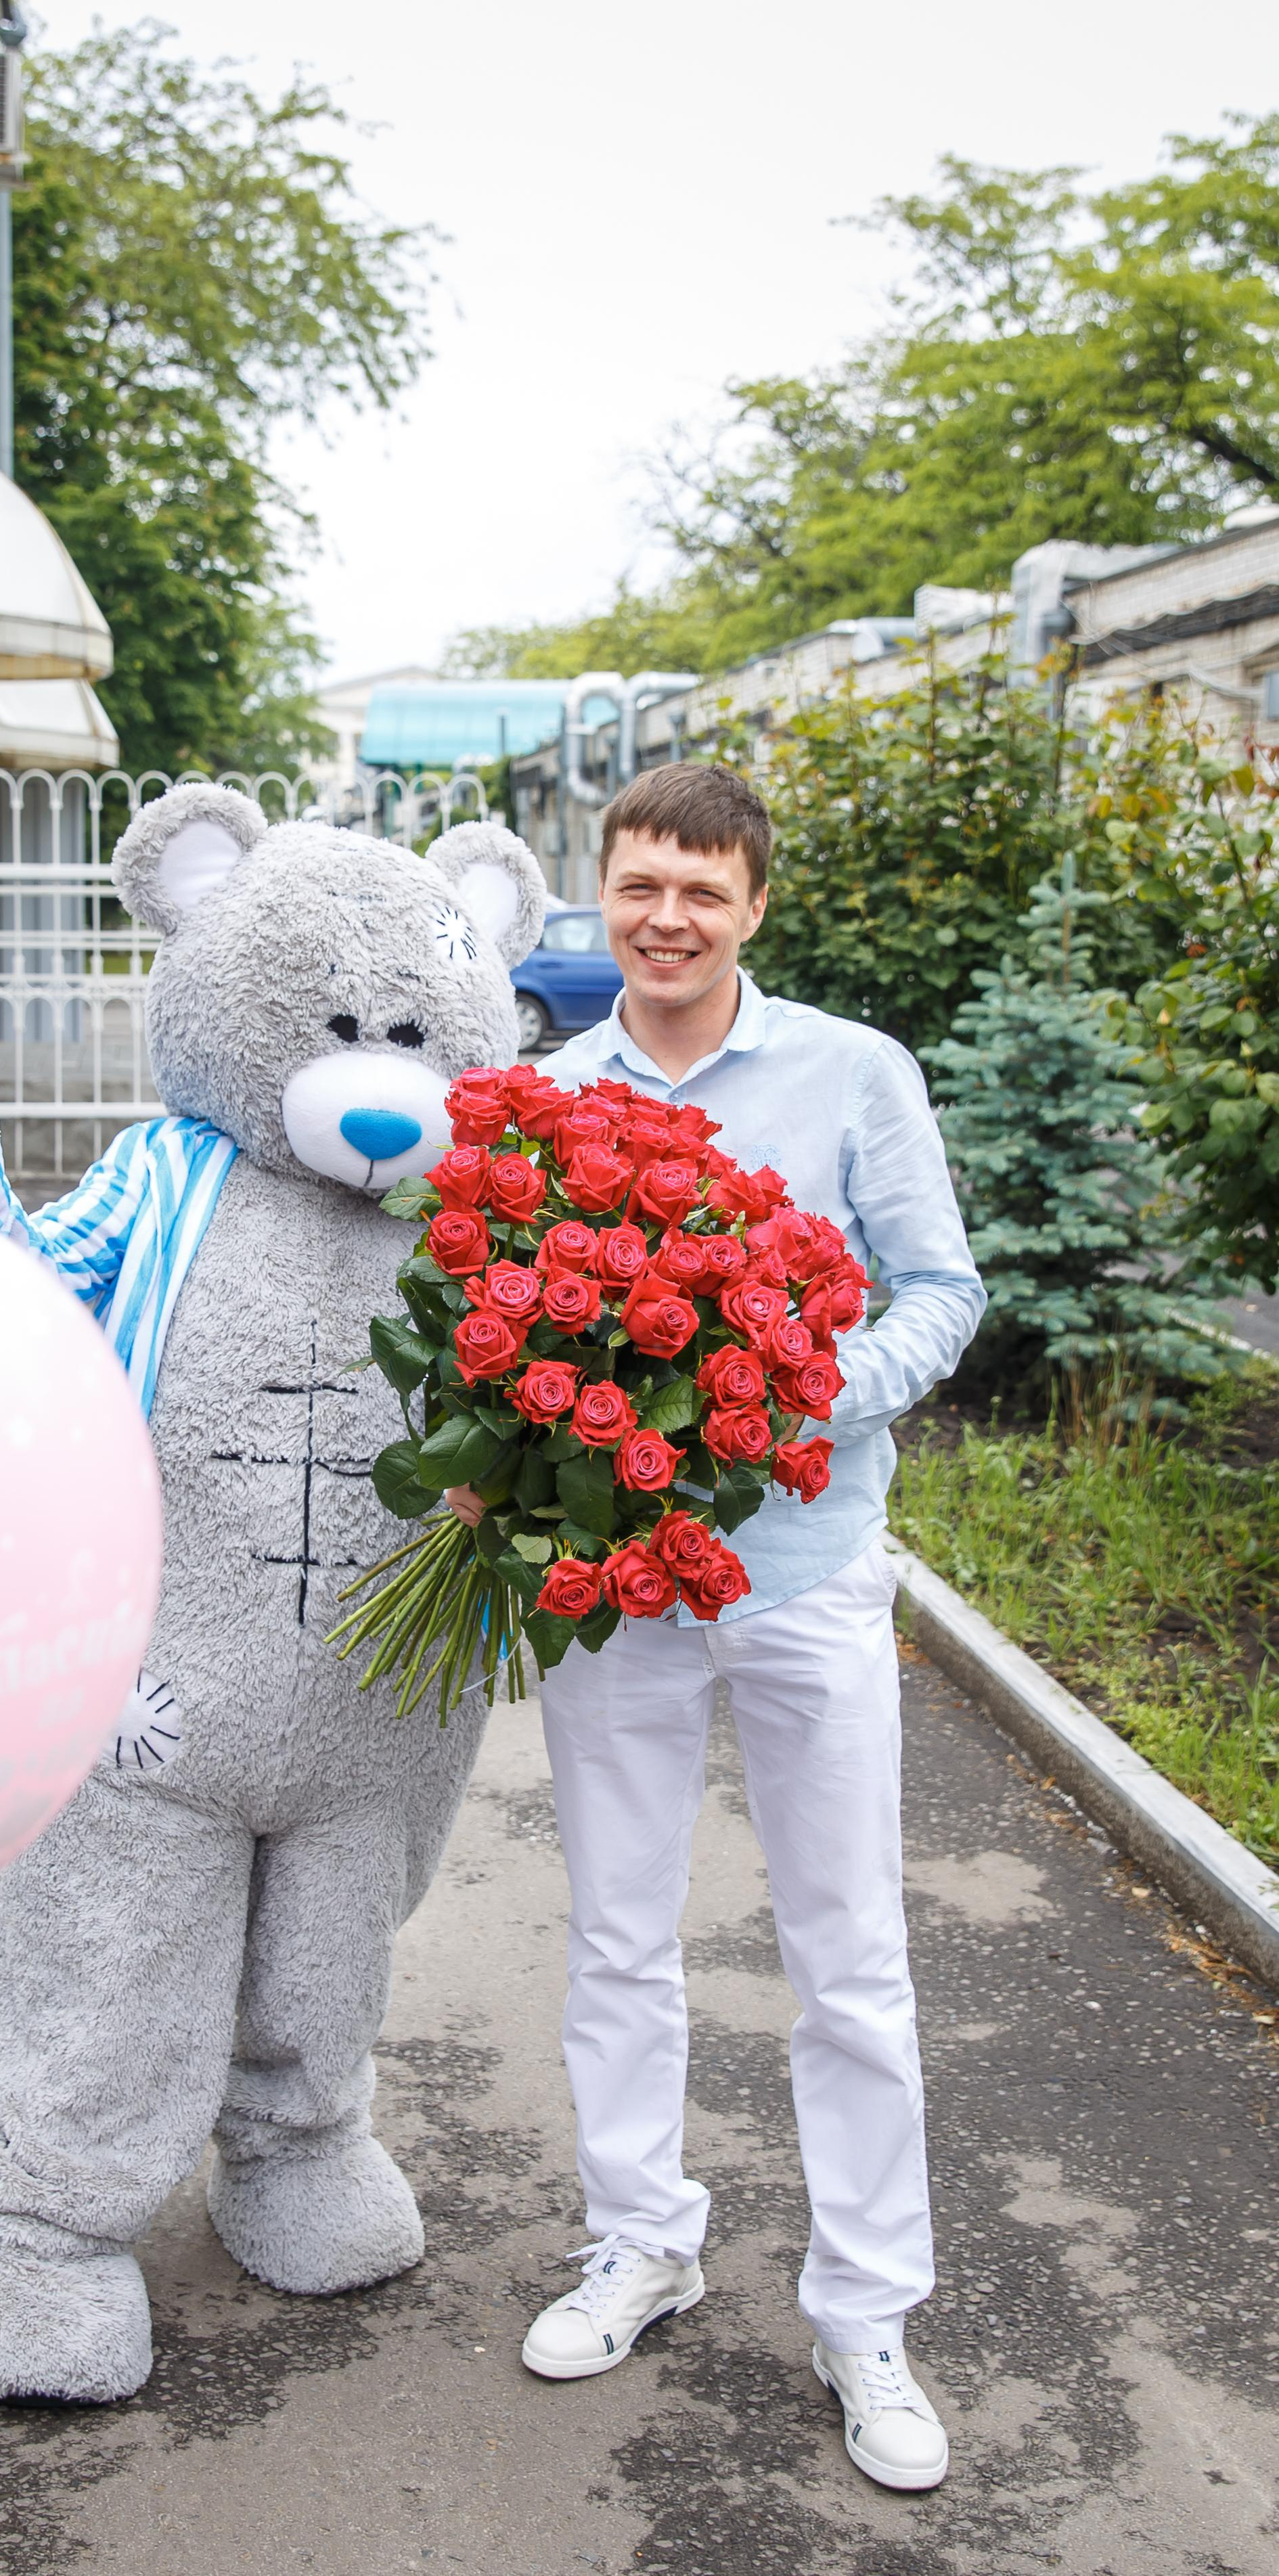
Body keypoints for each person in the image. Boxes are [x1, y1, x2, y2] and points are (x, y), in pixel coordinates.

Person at [447, 763, 983, 2492]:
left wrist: (821, 1394)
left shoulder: (851, 1072)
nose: (666, 916)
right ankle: (641, 2241)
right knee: (618, 1931)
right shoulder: (544, 1095)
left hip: (811, 1571)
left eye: (702, 889)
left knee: (849, 1954)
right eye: (639, 885)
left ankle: (867, 2315)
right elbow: (473, 1317)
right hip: (623, 1590)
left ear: (756, 904)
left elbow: (943, 1287)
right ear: (602, 899)